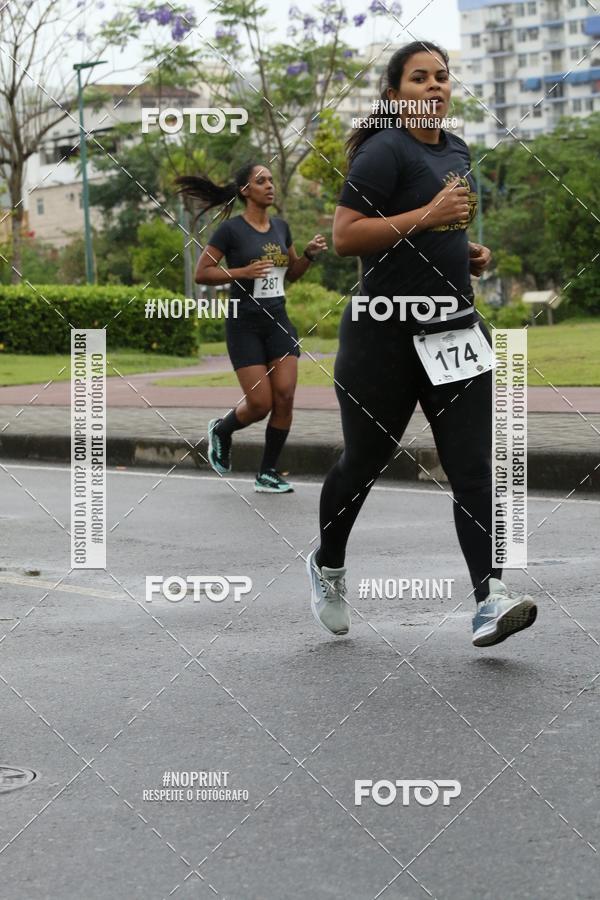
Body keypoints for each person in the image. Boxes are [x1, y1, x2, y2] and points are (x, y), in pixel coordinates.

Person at [306, 41, 537, 647]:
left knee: (473, 468)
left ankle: (490, 598)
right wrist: (430, 217)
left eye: (442, 76)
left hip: (454, 329)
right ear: (394, 93)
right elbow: (346, 235)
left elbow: (442, 229)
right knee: (362, 465)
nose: (435, 86)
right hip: (383, 335)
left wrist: (467, 253)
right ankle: (328, 565)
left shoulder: (456, 149)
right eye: (419, 78)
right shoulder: (384, 151)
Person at [177, 163, 327, 493]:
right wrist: (242, 272)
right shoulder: (230, 231)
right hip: (244, 324)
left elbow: (292, 274)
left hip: (278, 322)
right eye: (261, 181)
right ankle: (222, 430)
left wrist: (309, 255)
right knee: (260, 404)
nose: (270, 186)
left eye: (272, 180)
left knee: (285, 396)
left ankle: (268, 472)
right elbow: (202, 273)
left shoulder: (281, 227)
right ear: (246, 191)